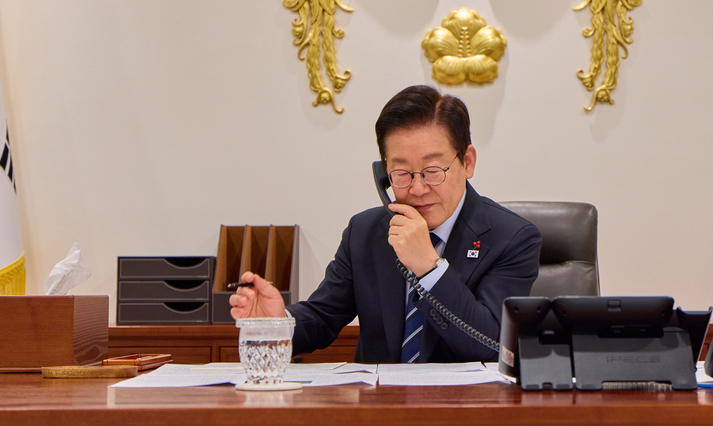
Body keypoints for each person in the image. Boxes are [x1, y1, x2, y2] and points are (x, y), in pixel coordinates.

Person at [230, 85, 542, 362]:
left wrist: (430, 269)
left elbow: (490, 344)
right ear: (384, 174)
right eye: (402, 174)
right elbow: (323, 317)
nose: (418, 189)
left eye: (433, 170)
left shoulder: (512, 238)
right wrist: (277, 323)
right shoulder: (365, 232)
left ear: (468, 162)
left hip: (465, 414)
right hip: (378, 413)